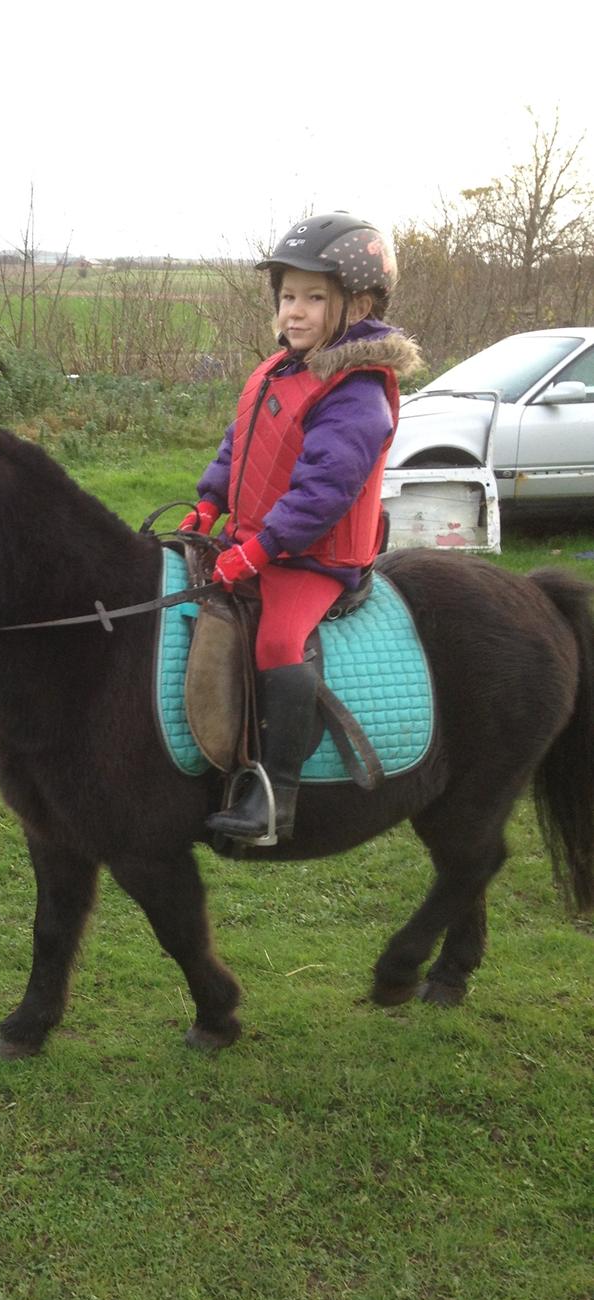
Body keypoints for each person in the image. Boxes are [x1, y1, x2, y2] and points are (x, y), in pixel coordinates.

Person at [181, 212, 423, 844]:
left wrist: (260, 550)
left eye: (314, 298)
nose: (295, 311)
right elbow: (241, 445)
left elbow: (323, 495)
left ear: (359, 306)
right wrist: (209, 503)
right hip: (261, 539)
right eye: (288, 296)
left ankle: (273, 797)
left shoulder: (356, 393)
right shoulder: (281, 369)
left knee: (278, 641)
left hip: (316, 556)